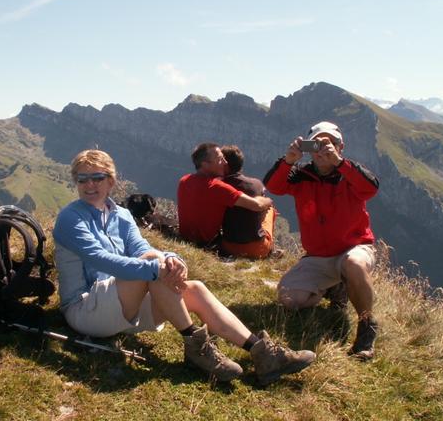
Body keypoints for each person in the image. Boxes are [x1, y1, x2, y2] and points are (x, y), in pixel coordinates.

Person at [53, 149, 315, 385]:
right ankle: (196, 347)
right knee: (152, 268)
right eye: (82, 179)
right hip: (85, 311)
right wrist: (157, 267)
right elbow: (102, 260)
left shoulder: (120, 214)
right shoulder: (71, 217)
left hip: (121, 307)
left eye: (97, 177)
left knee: (195, 288)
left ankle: (262, 353)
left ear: (110, 181)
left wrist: (173, 258)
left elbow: (142, 247)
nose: (89, 185)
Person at [263, 121, 380, 360]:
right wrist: (288, 161)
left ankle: (367, 327)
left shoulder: (349, 172)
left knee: (354, 264)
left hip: (355, 248)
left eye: (330, 144)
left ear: (340, 147)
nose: (322, 150)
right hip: (318, 257)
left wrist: (339, 163)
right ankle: (335, 288)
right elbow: (273, 186)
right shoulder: (301, 175)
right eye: (317, 144)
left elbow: (370, 188)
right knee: (288, 298)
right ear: (309, 148)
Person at [177, 143, 271, 249]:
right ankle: (265, 245)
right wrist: (267, 200)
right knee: (269, 210)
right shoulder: (216, 188)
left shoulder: (184, 180)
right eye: (220, 159)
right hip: (207, 244)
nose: (225, 163)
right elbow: (257, 205)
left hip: (184, 238)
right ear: (205, 164)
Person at [220, 145, 276, 259]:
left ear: (225, 165)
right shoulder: (256, 184)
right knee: (270, 209)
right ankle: (270, 248)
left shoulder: (219, 186)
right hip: (257, 250)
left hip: (227, 247)